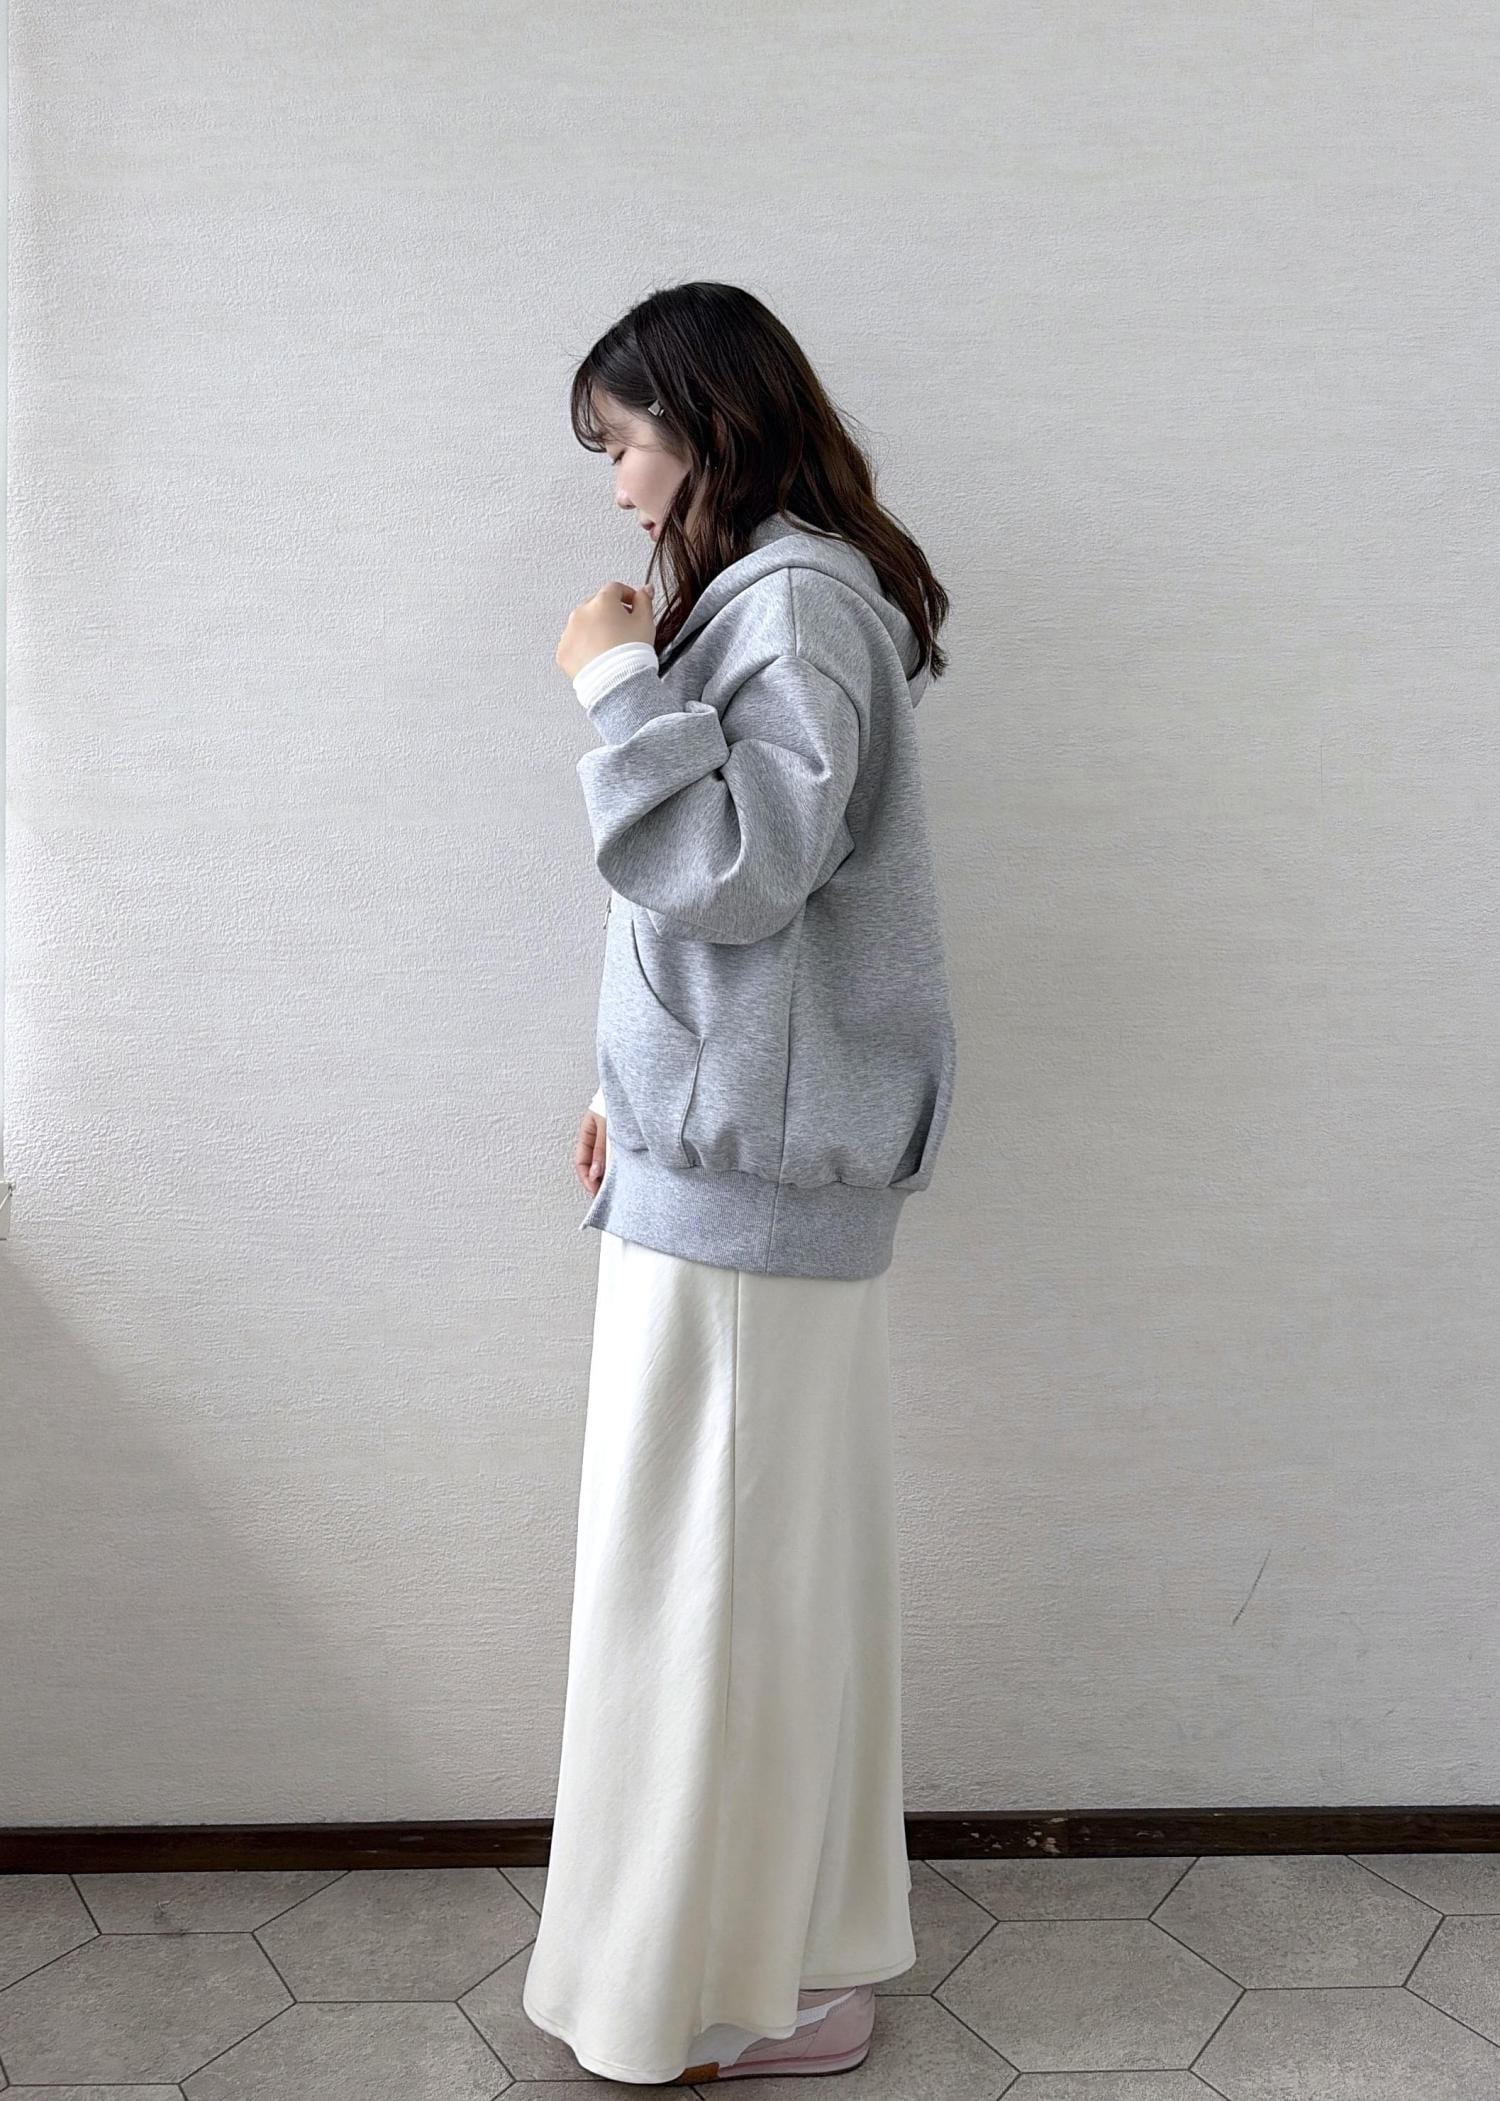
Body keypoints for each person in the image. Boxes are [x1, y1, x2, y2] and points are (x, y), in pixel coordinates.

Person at [521, 279, 958, 2084]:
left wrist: (611, 679)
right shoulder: (774, 598)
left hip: (756, 1199)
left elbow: (743, 869)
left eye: (625, 442)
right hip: (725, 1170)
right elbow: (732, 922)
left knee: (712, 1593)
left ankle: (734, 1994)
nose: (620, 486)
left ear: (711, 422)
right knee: (735, 1584)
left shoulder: (792, 606)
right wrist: (628, 1085)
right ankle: (774, 1969)